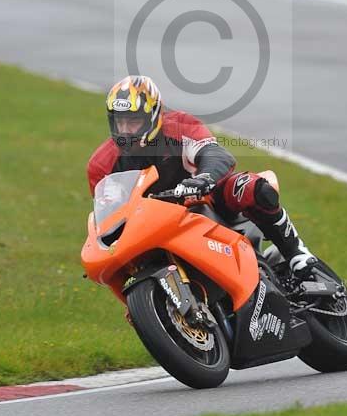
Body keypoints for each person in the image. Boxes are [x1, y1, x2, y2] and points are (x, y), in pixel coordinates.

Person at [88, 75, 317, 277]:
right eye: (121, 122)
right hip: (151, 227)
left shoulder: (180, 127)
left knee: (251, 187)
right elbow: (108, 218)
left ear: (154, 116)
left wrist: (202, 179)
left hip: (204, 202)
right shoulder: (101, 165)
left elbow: (216, 154)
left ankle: (296, 253)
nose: (126, 130)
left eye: (134, 122)